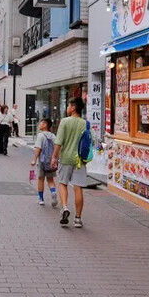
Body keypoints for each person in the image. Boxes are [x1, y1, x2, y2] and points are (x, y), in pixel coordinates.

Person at [51, 97, 88, 228]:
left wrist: (54, 157)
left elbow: (58, 142)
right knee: (78, 188)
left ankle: (65, 207)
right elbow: (92, 140)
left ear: (73, 108)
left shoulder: (65, 122)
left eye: (68, 106)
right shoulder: (85, 123)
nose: (67, 108)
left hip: (65, 158)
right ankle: (78, 219)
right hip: (80, 161)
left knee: (63, 183)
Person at [31, 118, 58, 207]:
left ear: (45, 125)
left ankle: (41, 199)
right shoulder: (53, 136)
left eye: (41, 123)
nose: (40, 125)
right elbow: (57, 148)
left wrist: (34, 159)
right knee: (50, 180)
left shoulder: (41, 135)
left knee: (41, 179)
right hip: (51, 161)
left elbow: (38, 148)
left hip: (42, 162)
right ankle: (53, 192)